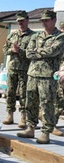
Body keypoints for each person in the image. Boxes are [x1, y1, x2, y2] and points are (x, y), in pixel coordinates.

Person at [17, 10, 64, 144]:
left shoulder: (60, 37)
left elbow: (53, 51)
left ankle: (45, 132)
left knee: (47, 104)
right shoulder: (36, 36)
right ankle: (30, 128)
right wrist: (40, 52)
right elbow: (28, 53)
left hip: (47, 76)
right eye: (42, 21)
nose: (44, 23)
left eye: (46, 20)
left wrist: (37, 51)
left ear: (54, 20)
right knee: (30, 102)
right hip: (32, 73)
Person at [2, 11, 35, 128]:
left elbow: (32, 54)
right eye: (18, 21)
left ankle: (23, 117)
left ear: (27, 20)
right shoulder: (12, 35)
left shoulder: (33, 36)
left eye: (22, 21)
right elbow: (5, 50)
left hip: (24, 70)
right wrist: (12, 50)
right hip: (12, 68)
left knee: (23, 94)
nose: (20, 23)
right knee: (10, 92)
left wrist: (19, 51)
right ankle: (9, 115)